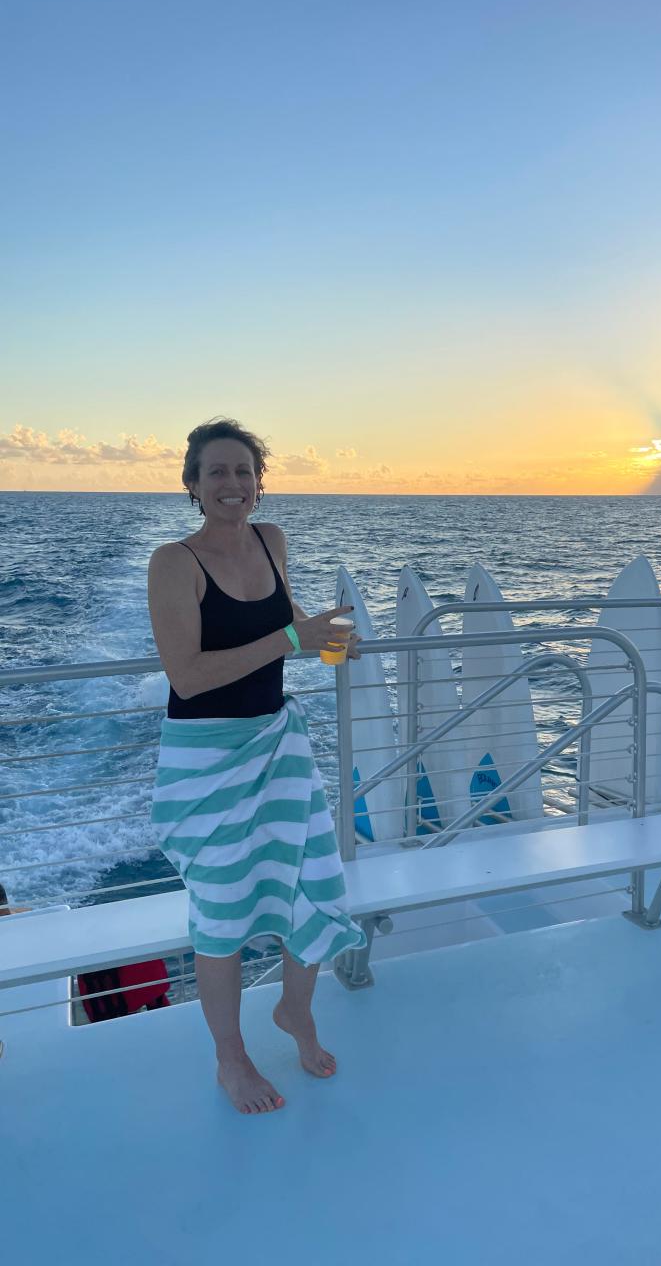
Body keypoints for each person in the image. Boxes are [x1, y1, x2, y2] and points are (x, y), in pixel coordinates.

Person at [148, 418, 365, 1115]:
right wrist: (290, 637)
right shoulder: (173, 563)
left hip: (277, 743)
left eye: (243, 471)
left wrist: (325, 642)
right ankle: (230, 1058)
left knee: (314, 878)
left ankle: (294, 1012)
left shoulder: (274, 543)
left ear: (259, 483)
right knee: (222, 908)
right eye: (216, 472)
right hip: (206, 759)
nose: (231, 484)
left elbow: (288, 625)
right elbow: (186, 675)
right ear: (192, 485)